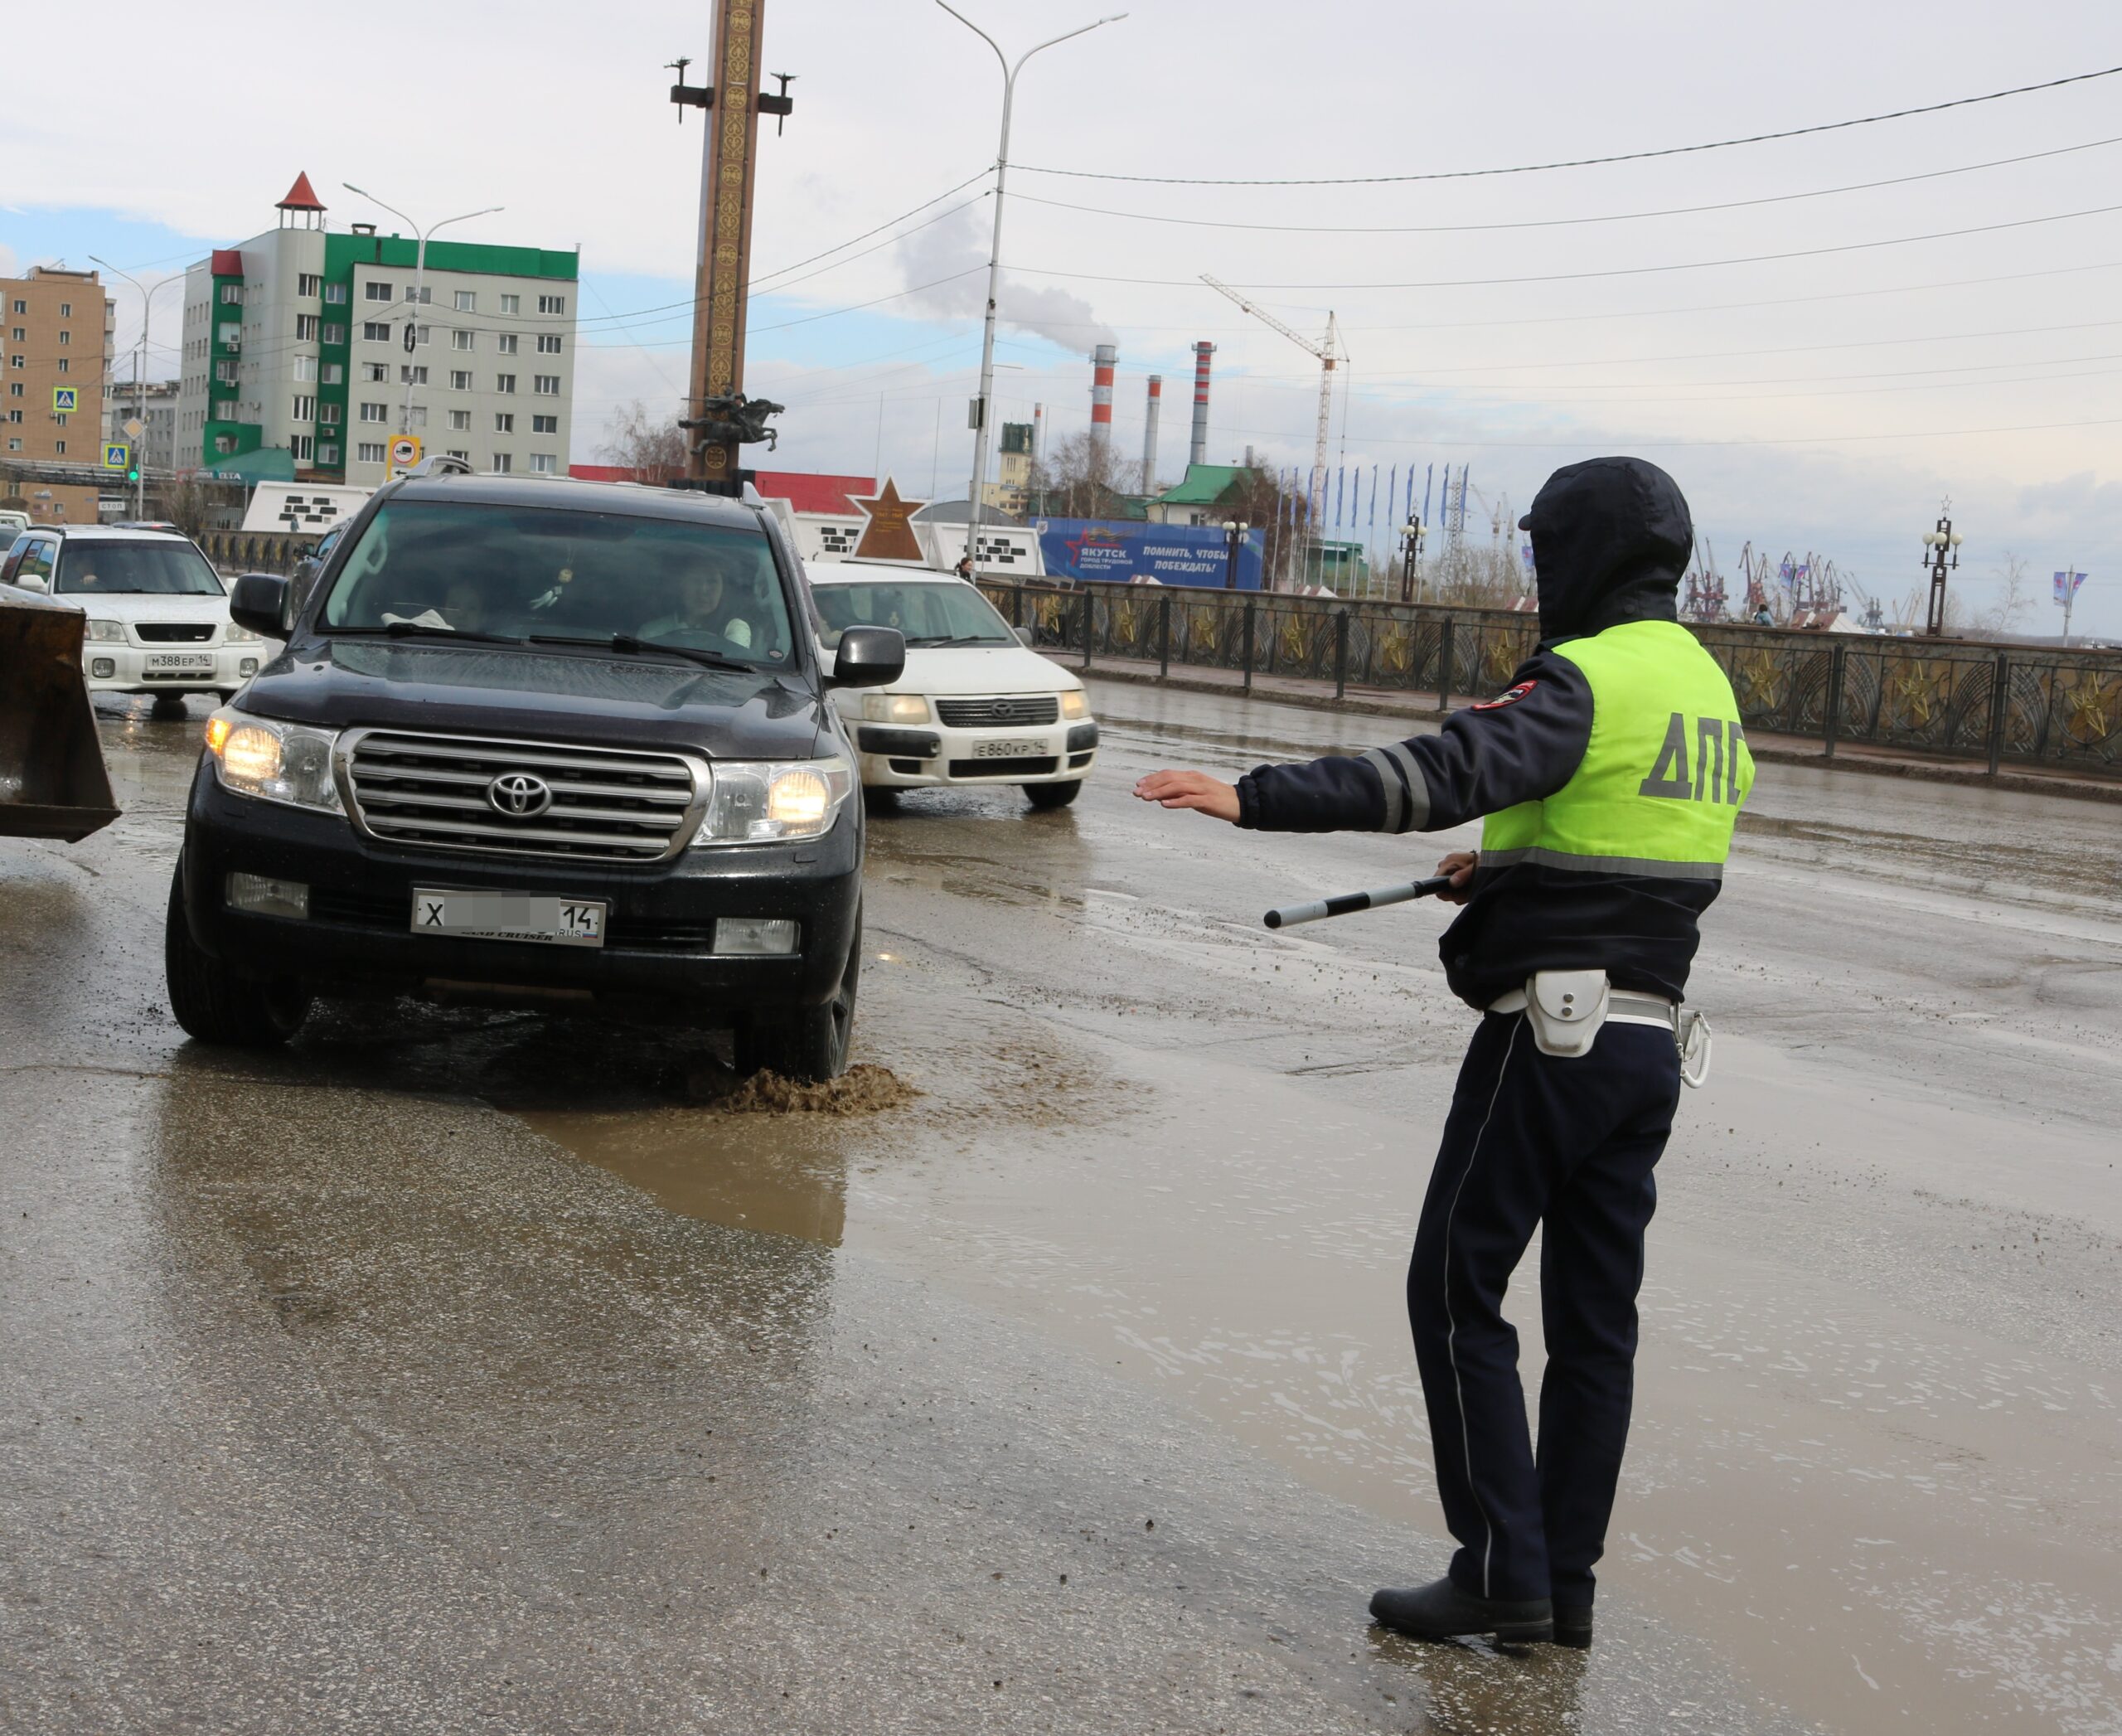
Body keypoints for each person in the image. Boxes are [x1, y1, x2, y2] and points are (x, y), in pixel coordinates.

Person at [1135, 456, 1752, 1651]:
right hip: (1650, 1046)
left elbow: (1439, 773)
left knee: (1456, 1286)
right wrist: (1514, 869)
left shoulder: (1586, 676)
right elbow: (1663, 862)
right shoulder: (1707, 693)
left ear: (1583, 556)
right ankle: (1561, 1589)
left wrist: (1250, 797)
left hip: (1552, 1035)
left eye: (1545, 556)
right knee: (1595, 1324)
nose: (1539, 582)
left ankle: (1495, 1566)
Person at [640, 550, 753, 652]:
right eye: (695, 580)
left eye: (712, 581)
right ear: (681, 586)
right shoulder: (652, 632)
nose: (703, 590)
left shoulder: (733, 629)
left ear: (723, 589)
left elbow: (733, 671)